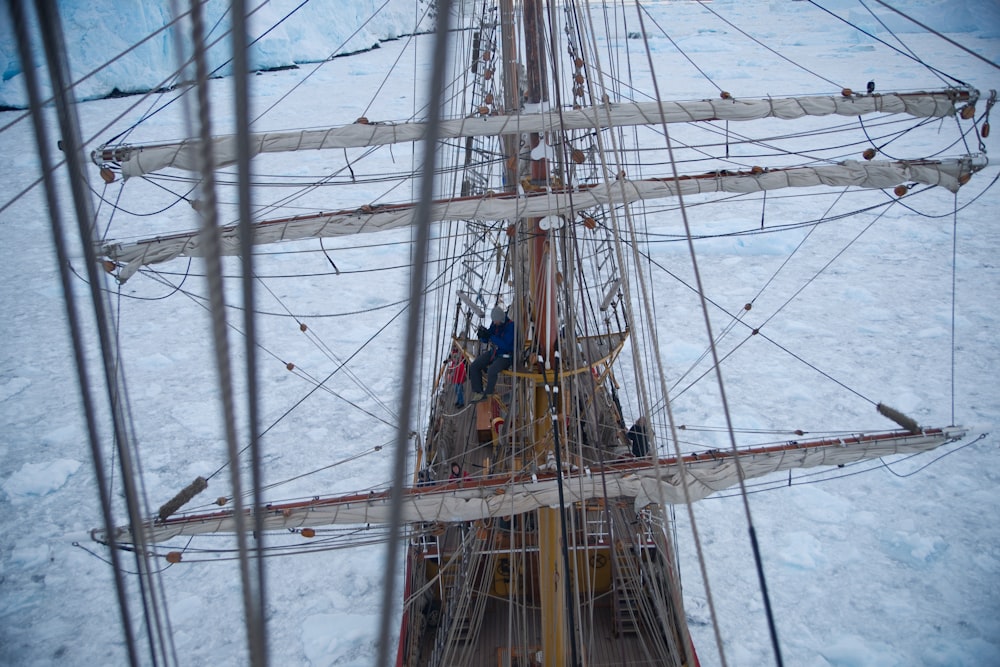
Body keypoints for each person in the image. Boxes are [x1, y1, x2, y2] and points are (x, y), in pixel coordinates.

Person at [469, 305, 516, 402]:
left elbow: (507, 345)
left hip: (506, 356)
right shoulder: (495, 325)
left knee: (491, 370)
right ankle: (478, 392)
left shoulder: (511, 327)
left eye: (495, 320)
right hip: (494, 352)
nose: (494, 322)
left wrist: (491, 337)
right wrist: (483, 335)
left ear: (501, 319)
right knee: (474, 366)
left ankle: (488, 393)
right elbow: (488, 337)